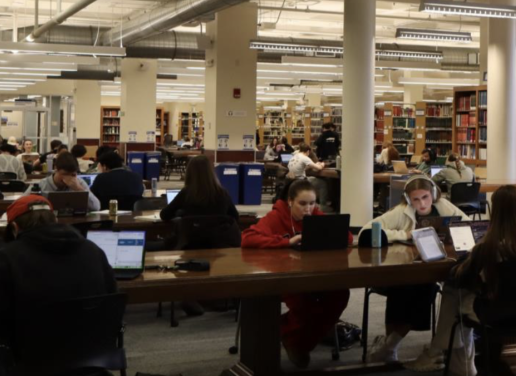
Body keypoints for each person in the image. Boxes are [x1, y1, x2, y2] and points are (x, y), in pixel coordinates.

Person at [0, 195, 117, 376]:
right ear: (55, 220)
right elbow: (113, 305)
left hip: (28, 363)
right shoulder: (94, 251)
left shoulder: (9, 257)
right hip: (90, 360)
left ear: (14, 228)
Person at [405, 185, 516, 375]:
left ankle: (454, 361)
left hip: (497, 315)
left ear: (495, 211)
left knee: (454, 292)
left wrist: (464, 259)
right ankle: (443, 355)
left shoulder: (490, 246)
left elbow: (460, 276)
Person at [241, 179, 352, 369]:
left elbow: (347, 237)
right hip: (283, 275)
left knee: (340, 294)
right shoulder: (277, 216)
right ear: (290, 201)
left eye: (312, 203)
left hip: (314, 274)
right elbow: (248, 238)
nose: (308, 209)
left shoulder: (315, 215)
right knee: (305, 302)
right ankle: (298, 344)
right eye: (302, 204)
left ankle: (288, 333)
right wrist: (286, 242)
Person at [363, 176, 468, 363]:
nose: (422, 204)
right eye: (416, 199)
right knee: (407, 288)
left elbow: (466, 225)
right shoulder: (401, 211)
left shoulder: (443, 206)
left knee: (426, 286)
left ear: (433, 194)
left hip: (435, 263)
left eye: (425, 197)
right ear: (408, 199)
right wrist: (404, 234)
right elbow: (367, 230)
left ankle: (390, 345)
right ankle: (391, 345)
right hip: (404, 267)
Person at [160, 154, 241, 246]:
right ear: (211, 172)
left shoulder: (186, 193)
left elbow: (164, 215)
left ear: (190, 173)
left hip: (190, 245)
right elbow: (235, 217)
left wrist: (180, 213)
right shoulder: (223, 193)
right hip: (219, 246)